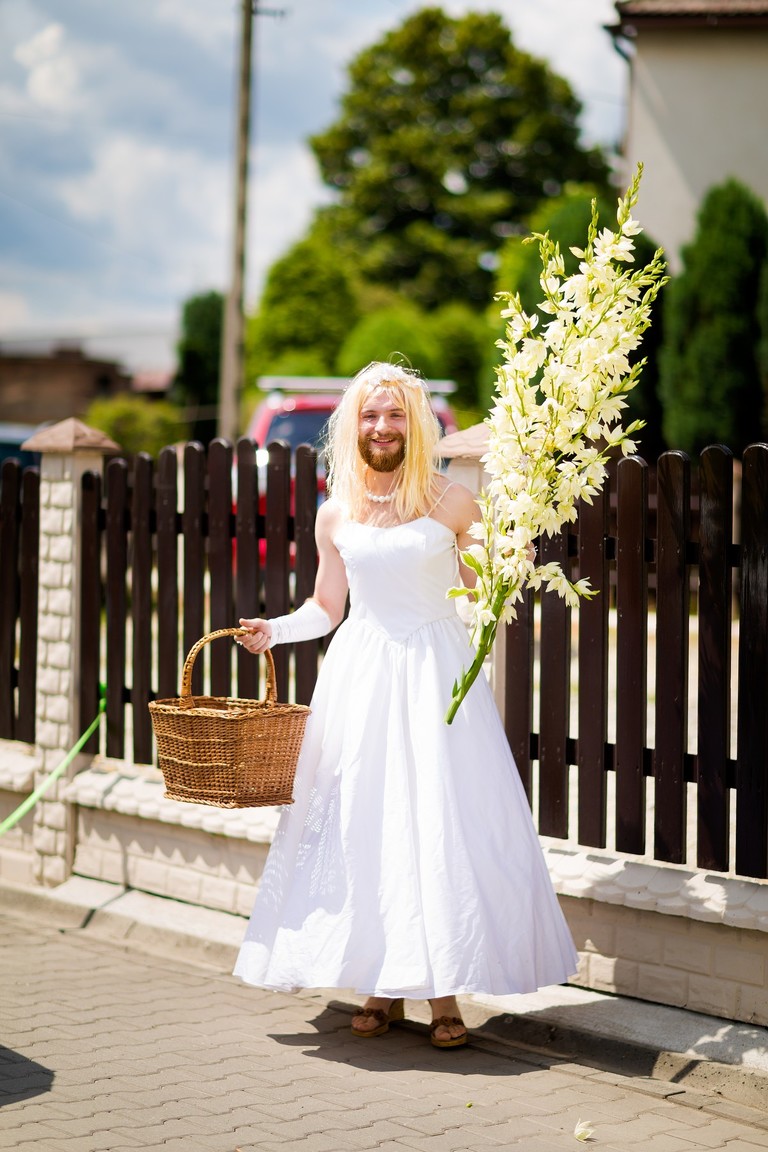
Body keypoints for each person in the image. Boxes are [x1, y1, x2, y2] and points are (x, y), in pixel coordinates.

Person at [233, 361, 577, 1049]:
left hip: (434, 678)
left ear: (415, 424)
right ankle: (379, 986)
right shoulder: (337, 512)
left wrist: (508, 560)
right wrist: (277, 630)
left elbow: (483, 592)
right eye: (370, 414)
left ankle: (444, 994)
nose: (382, 426)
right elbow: (328, 608)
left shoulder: (450, 500)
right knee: (367, 825)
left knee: (435, 826)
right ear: (352, 424)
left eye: (394, 415)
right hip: (360, 680)